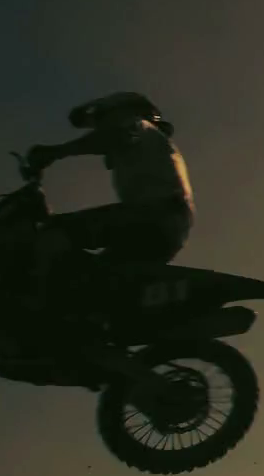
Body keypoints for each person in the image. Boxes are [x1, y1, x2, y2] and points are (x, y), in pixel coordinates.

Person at [18, 92, 195, 316]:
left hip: (153, 215)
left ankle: (33, 306)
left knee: (55, 232)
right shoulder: (154, 146)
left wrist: (56, 152)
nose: (100, 128)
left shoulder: (139, 126)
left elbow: (115, 135)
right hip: (168, 227)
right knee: (93, 279)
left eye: (103, 120)